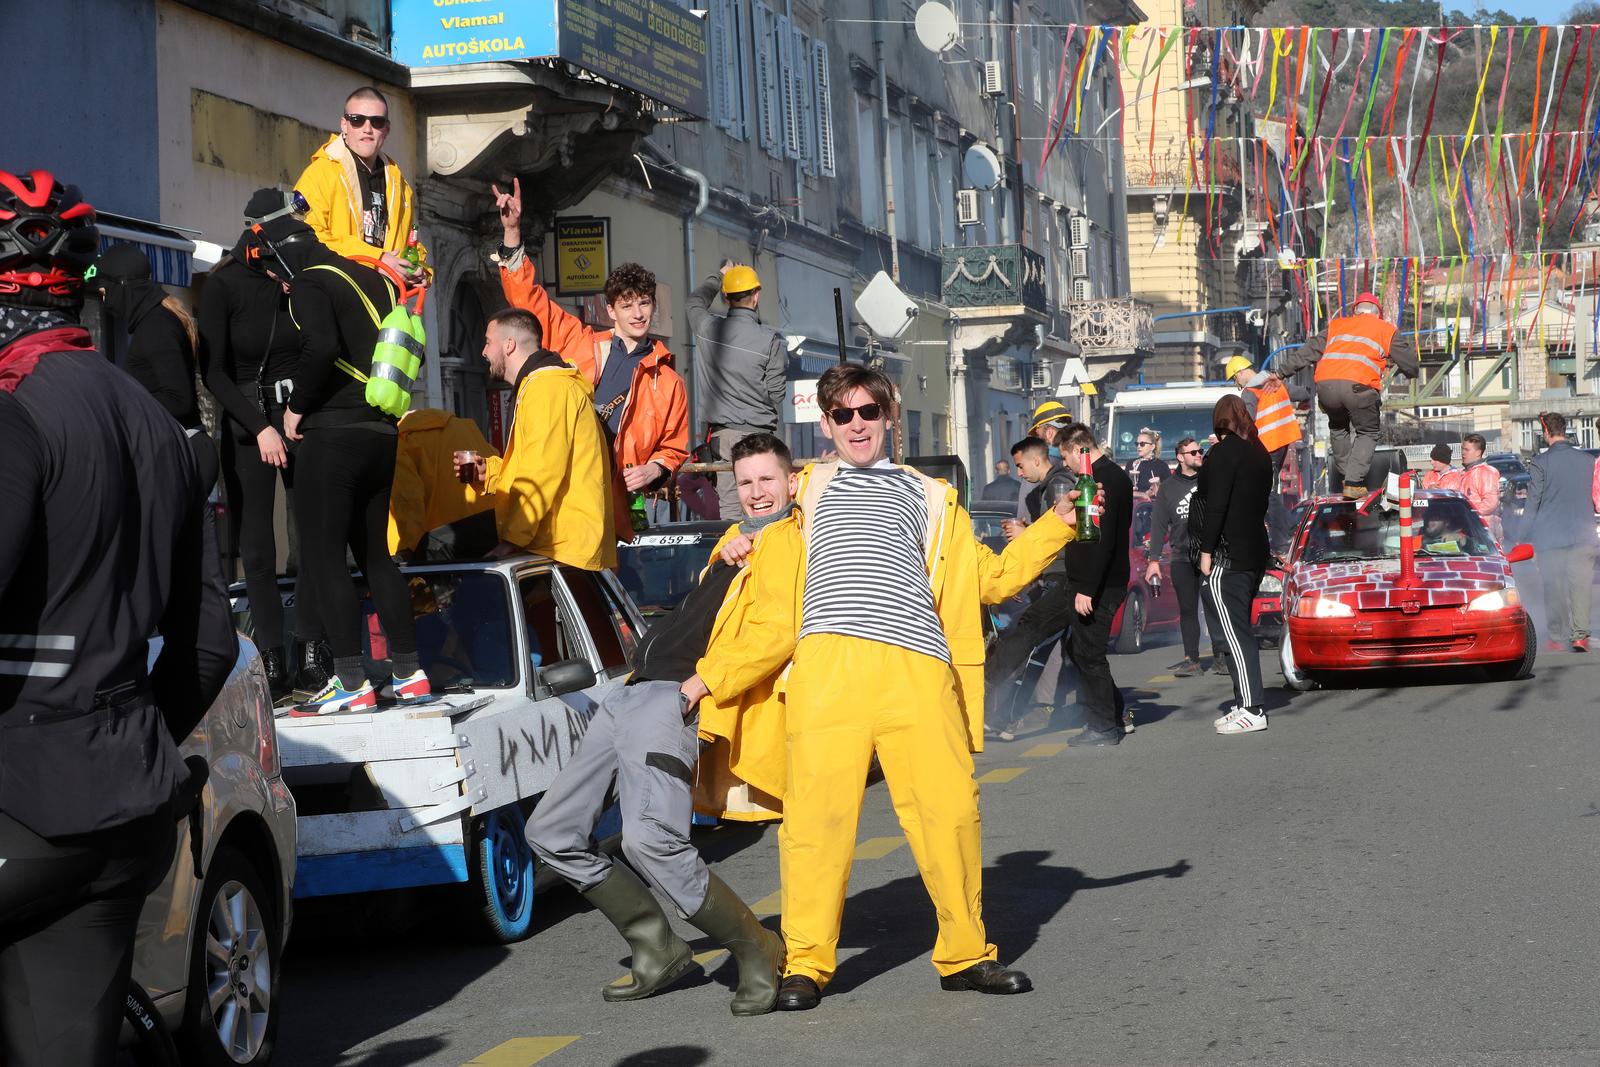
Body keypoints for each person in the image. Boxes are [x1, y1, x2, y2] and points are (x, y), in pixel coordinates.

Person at [680, 364, 1079, 1011]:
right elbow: (750, 534)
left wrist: (1060, 523)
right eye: (845, 414)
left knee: (949, 812)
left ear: (890, 415)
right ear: (826, 423)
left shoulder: (931, 496)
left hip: (916, 667)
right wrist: (732, 549)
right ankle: (806, 962)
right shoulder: (801, 487)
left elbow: (996, 578)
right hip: (825, 670)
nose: (858, 423)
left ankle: (965, 953)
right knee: (815, 821)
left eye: (869, 411)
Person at [0, 169, 236, 1067]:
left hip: (22, 793)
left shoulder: (15, 411)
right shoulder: (155, 421)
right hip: (123, 800)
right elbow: (210, 641)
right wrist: (128, 727)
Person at [525, 433, 800, 1016]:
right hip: (631, 690)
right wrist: (725, 557)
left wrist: (700, 687)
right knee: (548, 833)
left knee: (649, 838)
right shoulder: (735, 540)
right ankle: (657, 947)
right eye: (745, 481)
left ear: (792, 481)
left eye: (767, 479)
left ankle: (756, 948)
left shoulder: (790, 544)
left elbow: (776, 633)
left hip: (672, 696)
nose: (755, 492)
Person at [248, 215, 431, 714]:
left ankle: (351, 680)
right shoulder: (368, 276)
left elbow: (322, 347)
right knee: (375, 555)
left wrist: (295, 408)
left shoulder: (309, 282)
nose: (276, 281)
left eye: (273, 269)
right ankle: (409, 672)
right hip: (380, 431)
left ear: (286, 256)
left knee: (325, 557)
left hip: (333, 436)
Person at [493, 179, 688, 527]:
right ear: (611, 311)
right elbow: (527, 301)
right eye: (627, 306)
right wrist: (512, 232)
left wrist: (654, 470)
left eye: (644, 303)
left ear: (653, 307)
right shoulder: (580, 342)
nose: (638, 313)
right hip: (565, 486)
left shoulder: (668, 381)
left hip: (615, 502)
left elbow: (674, 447)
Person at [200, 188, 317, 698]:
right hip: (250, 421)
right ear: (256, 237)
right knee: (258, 549)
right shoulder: (223, 286)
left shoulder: (297, 279)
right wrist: (259, 426)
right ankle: (271, 658)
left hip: (300, 414)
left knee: (314, 537)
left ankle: (313, 650)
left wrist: (297, 411)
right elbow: (214, 373)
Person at [459, 309, 617, 569]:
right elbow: (532, 465)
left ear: (509, 345)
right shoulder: (540, 386)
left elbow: (541, 472)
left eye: (488, 342)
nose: (483, 352)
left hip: (561, 547)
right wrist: (488, 473)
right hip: (557, 545)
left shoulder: (547, 389)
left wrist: (512, 540)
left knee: (443, 545)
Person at [1274, 291, 1419, 497]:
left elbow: (1308, 352)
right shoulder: (1386, 330)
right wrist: (1407, 369)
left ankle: (1346, 476)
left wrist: (1280, 373)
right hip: (1359, 388)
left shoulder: (1336, 326)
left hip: (1326, 388)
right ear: (1379, 313)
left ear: (1355, 311)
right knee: (1367, 432)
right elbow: (1411, 366)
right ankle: (1353, 481)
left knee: (1338, 426)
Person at [984, 437, 1077, 740]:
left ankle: (1002, 713)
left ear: (1037, 460)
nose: (1019, 473)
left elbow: (1067, 533)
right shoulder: (1044, 489)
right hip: (1053, 578)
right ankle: (1005, 718)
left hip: (1063, 578)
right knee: (1061, 653)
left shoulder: (1058, 486)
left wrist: (1026, 533)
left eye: (1021, 465)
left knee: (1035, 644)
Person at [294, 85, 427, 286]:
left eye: (377, 121)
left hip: (383, 300)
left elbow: (409, 243)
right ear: (344, 125)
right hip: (334, 294)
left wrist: (421, 271)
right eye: (357, 120)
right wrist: (377, 259)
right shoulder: (321, 172)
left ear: (387, 129)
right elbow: (307, 236)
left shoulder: (399, 184)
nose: (367, 128)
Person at [1195, 395, 1273, 735]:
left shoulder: (1223, 453)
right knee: (1239, 629)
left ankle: (1252, 708)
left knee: (1235, 633)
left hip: (1229, 555)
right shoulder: (1259, 453)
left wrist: (1206, 550)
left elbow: (1216, 505)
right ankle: (1243, 703)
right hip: (1254, 551)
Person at [686, 260, 786, 520]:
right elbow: (777, 394)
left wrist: (718, 277)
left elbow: (694, 303)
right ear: (757, 296)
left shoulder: (708, 329)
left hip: (723, 439)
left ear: (726, 299)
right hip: (761, 437)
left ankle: (735, 558)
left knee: (731, 508)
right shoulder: (769, 340)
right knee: (766, 502)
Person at [1058, 424, 1134, 747]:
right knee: (1078, 649)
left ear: (1078, 449)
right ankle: (1114, 713)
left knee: (1090, 653)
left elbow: (1101, 539)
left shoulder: (1107, 480)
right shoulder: (1096, 476)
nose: (1064, 464)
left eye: (1064, 456)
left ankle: (1103, 727)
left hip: (1101, 583)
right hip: (1093, 580)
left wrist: (1088, 587)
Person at [1145, 436, 1219, 678]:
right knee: (1188, 609)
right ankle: (1192, 660)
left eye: (1200, 451)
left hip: (1210, 554)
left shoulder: (1210, 480)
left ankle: (1222, 658)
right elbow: (1157, 526)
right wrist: (1153, 560)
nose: (1199, 455)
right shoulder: (1168, 487)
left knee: (1214, 607)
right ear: (1180, 457)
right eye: (1193, 452)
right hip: (1181, 557)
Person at [1524, 413, 1597, 653]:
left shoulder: (1539, 463)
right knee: (1581, 586)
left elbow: (1533, 503)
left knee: (1554, 587)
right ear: (1565, 430)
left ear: (1546, 433)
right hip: (1583, 534)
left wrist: (1522, 535)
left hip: (1551, 537)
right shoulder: (1588, 461)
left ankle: (1556, 636)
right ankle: (1580, 636)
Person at [387, 407, 498, 560]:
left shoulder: (400, 441)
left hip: (444, 543)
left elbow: (408, 499)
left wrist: (407, 549)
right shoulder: (465, 428)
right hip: (491, 529)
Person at [1458, 433, 1502, 543]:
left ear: (1478, 453)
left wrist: (1466, 512)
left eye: (1467, 450)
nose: (1463, 453)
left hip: (1485, 534)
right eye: (1462, 449)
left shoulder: (1485, 472)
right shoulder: (1464, 473)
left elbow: (1490, 504)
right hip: (1469, 532)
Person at [1125, 427, 1170, 500]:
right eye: (1137, 444)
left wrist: (1157, 488)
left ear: (1152, 446)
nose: (1138, 446)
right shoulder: (1131, 464)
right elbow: (1123, 490)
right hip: (1134, 506)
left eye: (1142, 444)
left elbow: (1169, 491)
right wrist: (1142, 495)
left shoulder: (1162, 465)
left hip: (1154, 506)